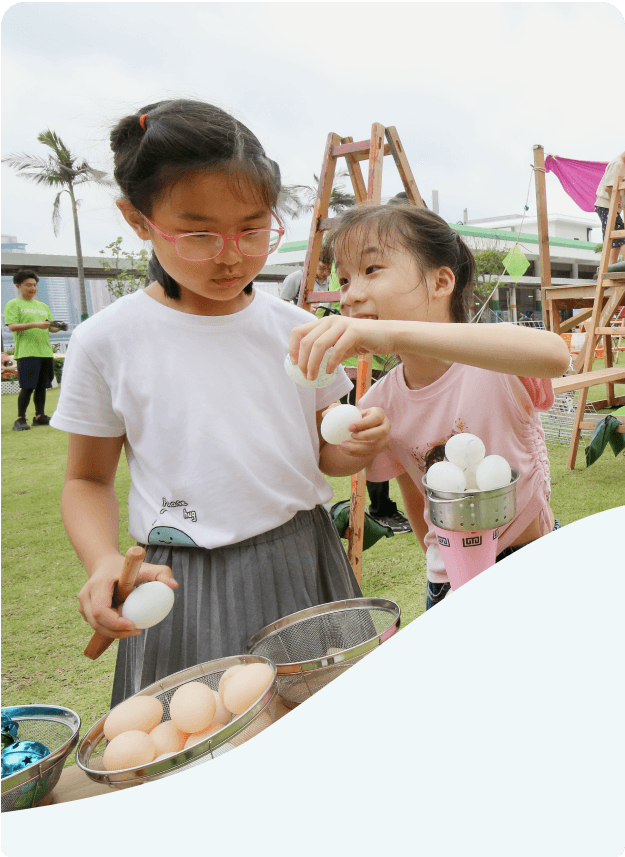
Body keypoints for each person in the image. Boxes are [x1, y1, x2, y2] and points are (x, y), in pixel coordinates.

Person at [50, 99, 389, 706]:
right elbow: (87, 479)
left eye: (252, 229)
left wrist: (356, 446)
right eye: (199, 234)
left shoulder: (297, 329)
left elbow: (326, 457)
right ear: (137, 219)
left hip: (302, 556)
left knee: (320, 722)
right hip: (180, 582)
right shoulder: (107, 341)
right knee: (201, 736)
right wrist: (102, 562)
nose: (231, 254)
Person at [289, 205, 570, 610]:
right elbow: (414, 492)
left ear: (441, 282)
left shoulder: (495, 361)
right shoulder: (380, 402)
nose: (350, 295)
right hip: (449, 580)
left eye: (371, 270)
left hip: (532, 560)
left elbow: (555, 355)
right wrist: (361, 448)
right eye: (345, 279)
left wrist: (394, 333)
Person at [5, 269, 59, 431]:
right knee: (27, 387)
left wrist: (57, 327)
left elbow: (50, 327)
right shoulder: (13, 304)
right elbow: (12, 326)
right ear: (18, 286)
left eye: (34, 285)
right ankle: (20, 419)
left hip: (45, 352)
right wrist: (36, 324)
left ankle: (40, 416)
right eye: (28, 285)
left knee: (42, 386)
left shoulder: (42, 306)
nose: (33, 288)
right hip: (27, 353)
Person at [595, 151, 625, 266]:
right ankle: (609, 266)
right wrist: (620, 200)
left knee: (615, 239)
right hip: (607, 206)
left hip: (608, 206)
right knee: (621, 235)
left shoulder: (620, 164)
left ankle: (610, 266)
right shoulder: (617, 164)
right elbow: (608, 187)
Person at [280, 242, 332, 307]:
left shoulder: (332, 281)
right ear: (312, 262)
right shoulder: (296, 277)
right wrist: (304, 308)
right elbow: (282, 303)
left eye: (329, 270)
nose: (326, 273)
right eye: (322, 268)